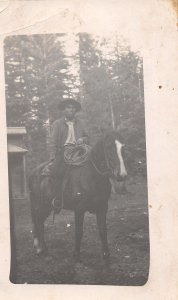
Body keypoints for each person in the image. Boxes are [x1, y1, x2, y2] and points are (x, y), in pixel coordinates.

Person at [49, 98, 89, 213]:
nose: (71, 110)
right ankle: (57, 199)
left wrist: (83, 139)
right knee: (57, 171)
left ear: (76, 110)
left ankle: (90, 196)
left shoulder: (80, 123)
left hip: (80, 151)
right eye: (68, 107)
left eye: (73, 108)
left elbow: (88, 137)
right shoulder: (57, 124)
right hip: (63, 152)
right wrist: (52, 158)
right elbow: (52, 142)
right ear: (63, 110)